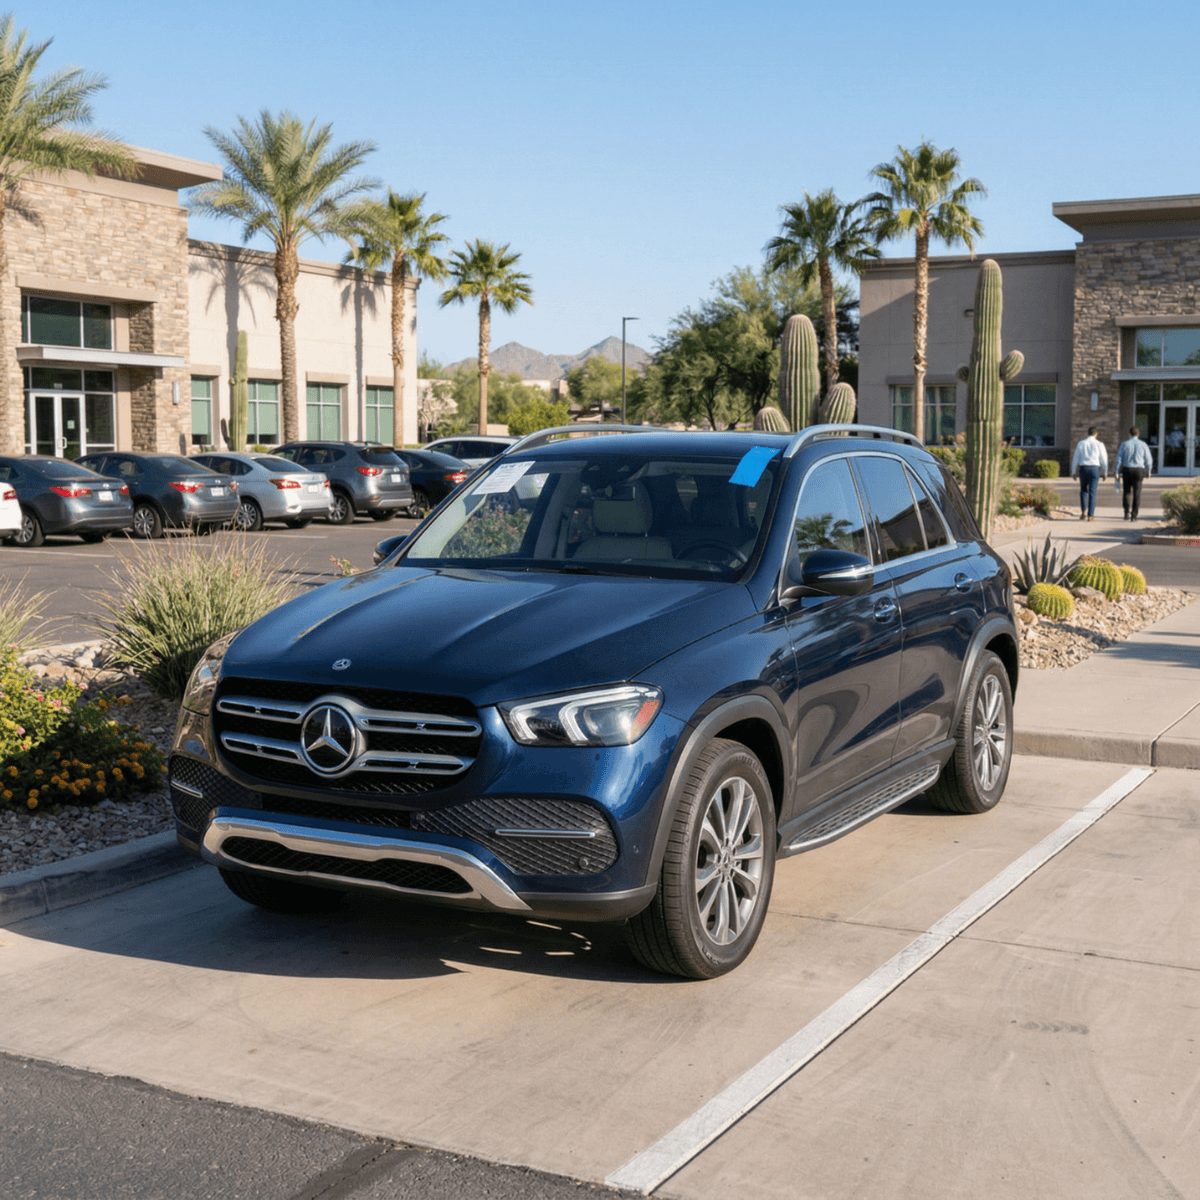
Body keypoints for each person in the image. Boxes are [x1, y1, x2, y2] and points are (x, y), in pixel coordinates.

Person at [1115, 425, 1154, 520]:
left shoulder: (1124, 444)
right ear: (1138, 434)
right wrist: (1149, 470)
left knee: (1127, 492)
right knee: (1137, 493)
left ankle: (1126, 513)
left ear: (1129, 434)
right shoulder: (1143, 444)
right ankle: (1134, 515)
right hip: (1139, 470)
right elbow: (1148, 459)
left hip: (1127, 469)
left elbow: (1119, 458)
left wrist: (1117, 471)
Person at [1071, 426, 1108, 521]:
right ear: (1096, 434)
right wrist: (1105, 471)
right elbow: (1104, 458)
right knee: (1093, 491)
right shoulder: (1099, 444)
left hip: (1083, 468)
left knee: (1083, 490)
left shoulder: (1081, 443)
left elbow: (1076, 457)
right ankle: (1090, 515)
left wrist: (1073, 471)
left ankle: (1083, 512)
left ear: (1088, 433)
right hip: (1095, 468)